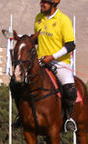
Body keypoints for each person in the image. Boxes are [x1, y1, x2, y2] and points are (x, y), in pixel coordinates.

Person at [35, 0, 77, 132]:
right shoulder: (38, 18)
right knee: (19, 83)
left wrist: (52, 57)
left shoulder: (63, 20)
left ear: (54, 3)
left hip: (59, 62)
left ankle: (68, 119)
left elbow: (70, 45)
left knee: (70, 90)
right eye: (41, 1)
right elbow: (37, 39)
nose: (42, 4)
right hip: (40, 61)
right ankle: (22, 116)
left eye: (45, 2)